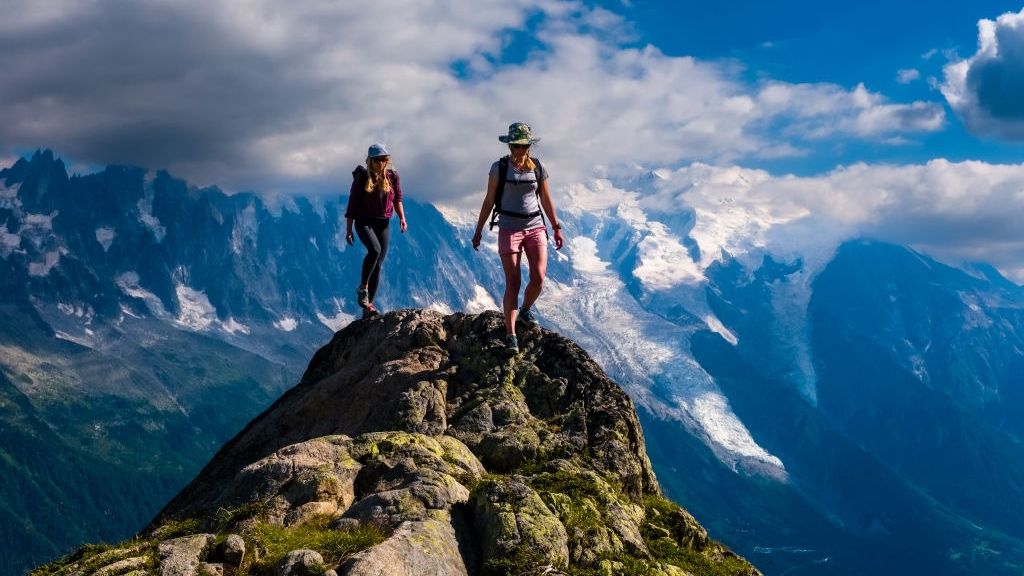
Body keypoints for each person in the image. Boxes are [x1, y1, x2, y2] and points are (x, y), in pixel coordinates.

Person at [472, 122, 564, 353]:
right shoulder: (499, 168)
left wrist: (556, 227)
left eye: (522, 145)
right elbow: (489, 200)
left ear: (528, 146)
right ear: (510, 145)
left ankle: (526, 309)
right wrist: (478, 230)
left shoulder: (538, 168)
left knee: (539, 277)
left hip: (535, 226)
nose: (518, 149)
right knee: (513, 282)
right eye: (515, 145)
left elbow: (545, 199)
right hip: (509, 228)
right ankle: (511, 334)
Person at [345, 143, 407, 318]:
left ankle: (367, 307)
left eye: (385, 159)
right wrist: (348, 229)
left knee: (378, 264)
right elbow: (352, 205)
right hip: (364, 222)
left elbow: (398, 199)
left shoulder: (392, 177)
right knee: (375, 251)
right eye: (378, 160)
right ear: (371, 161)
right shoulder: (362, 177)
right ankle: (363, 288)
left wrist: (402, 218)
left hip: (383, 223)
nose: (382, 163)